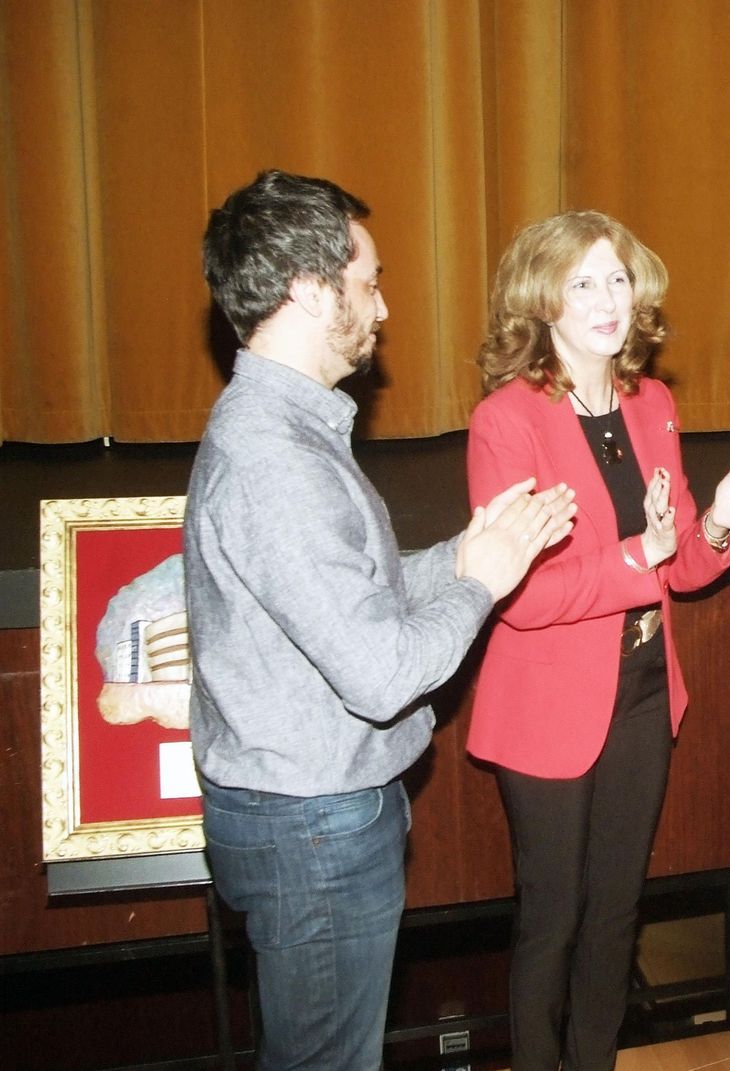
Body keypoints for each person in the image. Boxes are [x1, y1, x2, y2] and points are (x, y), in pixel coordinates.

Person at [187, 170, 578, 1071]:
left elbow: (349, 596)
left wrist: (460, 554)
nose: (384, 306)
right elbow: (384, 672)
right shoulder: (273, 460)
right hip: (314, 831)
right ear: (310, 291)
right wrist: (478, 586)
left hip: (310, 822)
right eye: (367, 283)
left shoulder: (285, 430)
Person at [465, 210, 730, 1071]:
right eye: (582, 282)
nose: (607, 299)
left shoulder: (651, 403)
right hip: (546, 706)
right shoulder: (508, 420)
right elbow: (521, 594)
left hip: (641, 689)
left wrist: (720, 522)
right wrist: (644, 553)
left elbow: (676, 565)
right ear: (543, 301)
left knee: (615, 911)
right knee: (552, 918)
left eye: (617, 278)